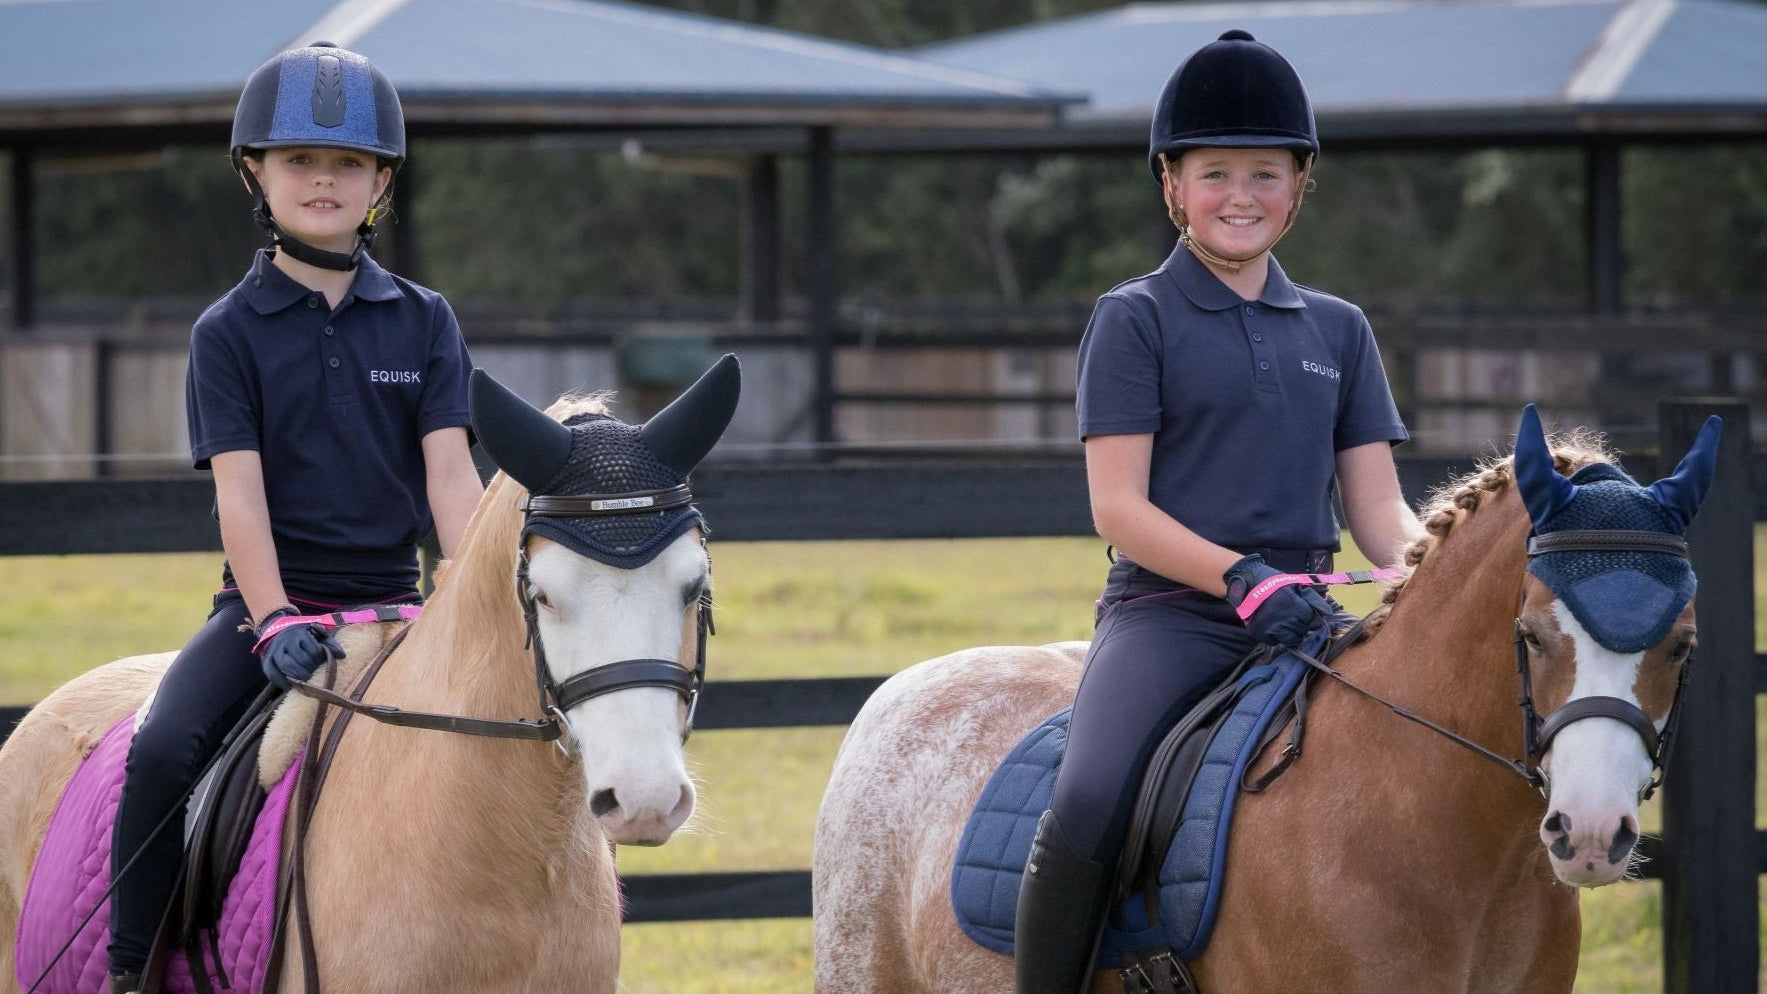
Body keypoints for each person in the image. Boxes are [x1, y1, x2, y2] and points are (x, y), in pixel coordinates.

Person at [1013, 30, 1420, 994]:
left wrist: (1424, 570)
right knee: (1092, 794)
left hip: (1307, 618)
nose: (1241, 196)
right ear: (1171, 183)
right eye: (1215, 173)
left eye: (1265, 174)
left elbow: (1377, 509)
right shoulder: (1135, 317)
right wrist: (1239, 576)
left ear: (1300, 183)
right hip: (1173, 617)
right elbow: (1116, 508)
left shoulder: (1339, 329)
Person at [105, 43, 484, 994]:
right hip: (267, 614)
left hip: (398, 606)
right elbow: (240, 493)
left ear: (381, 183)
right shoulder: (225, 333)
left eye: (349, 163)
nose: (324, 179)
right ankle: (128, 972)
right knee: (162, 750)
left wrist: (473, 597)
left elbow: (449, 476)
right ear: (255, 172)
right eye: (299, 160)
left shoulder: (425, 318)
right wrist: (273, 617)